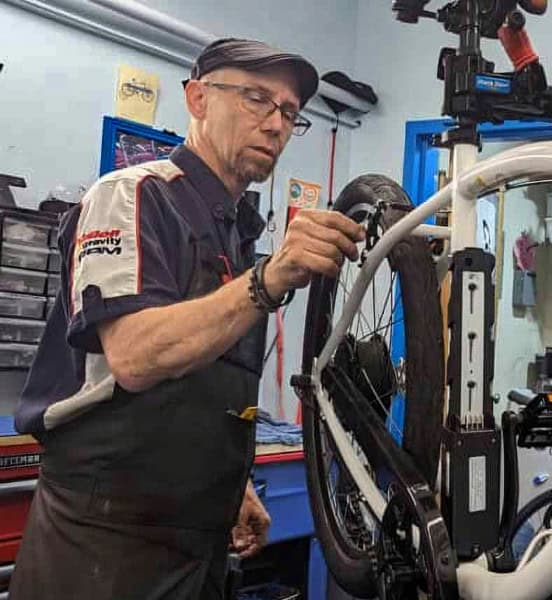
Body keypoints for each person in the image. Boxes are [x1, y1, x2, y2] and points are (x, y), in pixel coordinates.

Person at [11, 38, 365, 599]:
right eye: (256, 99)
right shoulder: (132, 195)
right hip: (105, 542)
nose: (275, 123)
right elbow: (134, 354)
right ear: (198, 99)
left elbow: (207, 377)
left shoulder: (235, 228)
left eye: (289, 113)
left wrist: (231, 485)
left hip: (199, 537)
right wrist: (267, 279)